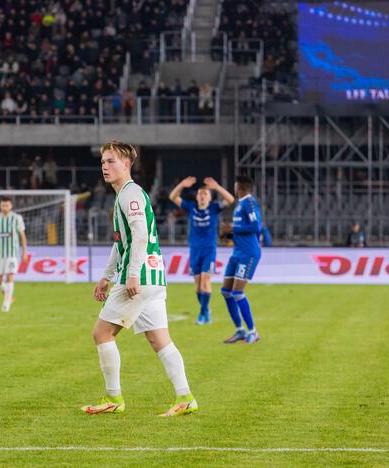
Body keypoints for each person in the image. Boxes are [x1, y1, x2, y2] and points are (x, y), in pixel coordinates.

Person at [82, 140, 197, 417]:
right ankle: (186, 397)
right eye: (102, 162)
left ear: (126, 164)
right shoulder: (124, 194)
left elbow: (142, 236)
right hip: (154, 276)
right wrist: (106, 277)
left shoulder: (130, 195)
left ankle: (113, 398)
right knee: (160, 340)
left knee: (102, 333)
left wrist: (131, 274)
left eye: (111, 161)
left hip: (140, 276)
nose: (105, 167)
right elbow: (122, 241)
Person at [169, 176, 234, 324]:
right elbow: (173, 197)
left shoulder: (214, 208)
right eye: (200, 194)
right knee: (198, 285)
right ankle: (205, 310)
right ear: (197, 197)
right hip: (195, 250)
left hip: (209, 249)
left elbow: (230, 199)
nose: (202, 196)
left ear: (210, 198)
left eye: (205, 194)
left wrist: (217, 187)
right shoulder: (191, 207)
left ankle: (203, 313)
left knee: (205, 280)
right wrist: (182, 184)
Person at [221, 175, 262, 344]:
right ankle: (240, 330)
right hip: (237, 252)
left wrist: (233, 227)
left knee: (237, 292)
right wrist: (228, 233)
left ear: (241, 188)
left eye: (236, 186)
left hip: (248, 253)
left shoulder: (249, 203)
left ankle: (253, 332)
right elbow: (241, 229)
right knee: (226, 291)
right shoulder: (240, 206)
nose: (234, 188)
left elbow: (255, 226)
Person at [0, 196, 28, 312]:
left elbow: (22, 236)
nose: (4, 207)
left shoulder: (16, 218)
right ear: (0, 206)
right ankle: (9, 296)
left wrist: (24, 252)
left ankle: (6, 303)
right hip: (0, 255)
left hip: (12, 254)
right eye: (2, 205)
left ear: (11, 206)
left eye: (6, 205)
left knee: (9, 277)